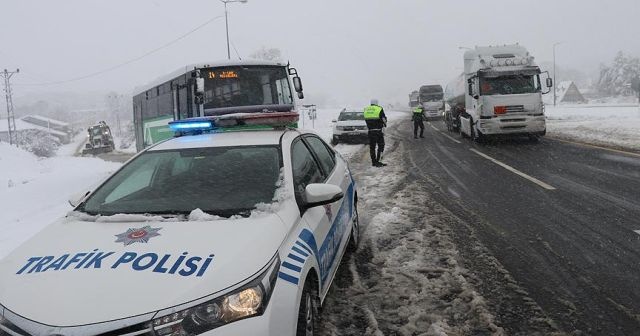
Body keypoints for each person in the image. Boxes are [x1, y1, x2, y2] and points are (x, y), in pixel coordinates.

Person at [364, 99, 387, 167]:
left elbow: (366, 119)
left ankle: (373, 162)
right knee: (381, 145)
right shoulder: (379, 108)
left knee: (372, 147)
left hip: (370, 131)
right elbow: (383, 119)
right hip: (378, 131)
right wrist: (385, 123)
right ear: (377, 103)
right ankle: (378, 161)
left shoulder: (366, 109)